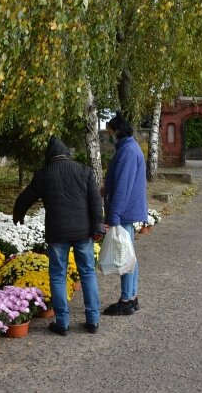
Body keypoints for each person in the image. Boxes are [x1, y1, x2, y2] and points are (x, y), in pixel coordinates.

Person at [13, 137, 105, 335]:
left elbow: (27, 196)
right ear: (67, 153)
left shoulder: (44, 174)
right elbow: (95, 200)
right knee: (87, 272)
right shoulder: (84, 170)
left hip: (57, 233)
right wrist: (98, 226)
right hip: (83, 231)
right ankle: (93, 320)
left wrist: (18, 213)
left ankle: (62, 323)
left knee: (57, 275)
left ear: (49, 156)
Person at [101, 112, 147, 316]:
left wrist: (114, 216)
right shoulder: (129, 147)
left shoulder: (127, 151)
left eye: (110, 131)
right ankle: (132, 296)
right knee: (130, 256)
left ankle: (127, 299)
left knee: (125, 256)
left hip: (125, 212)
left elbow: (123, 187)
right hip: (128, 210)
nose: (109, 135)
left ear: (117, 131)